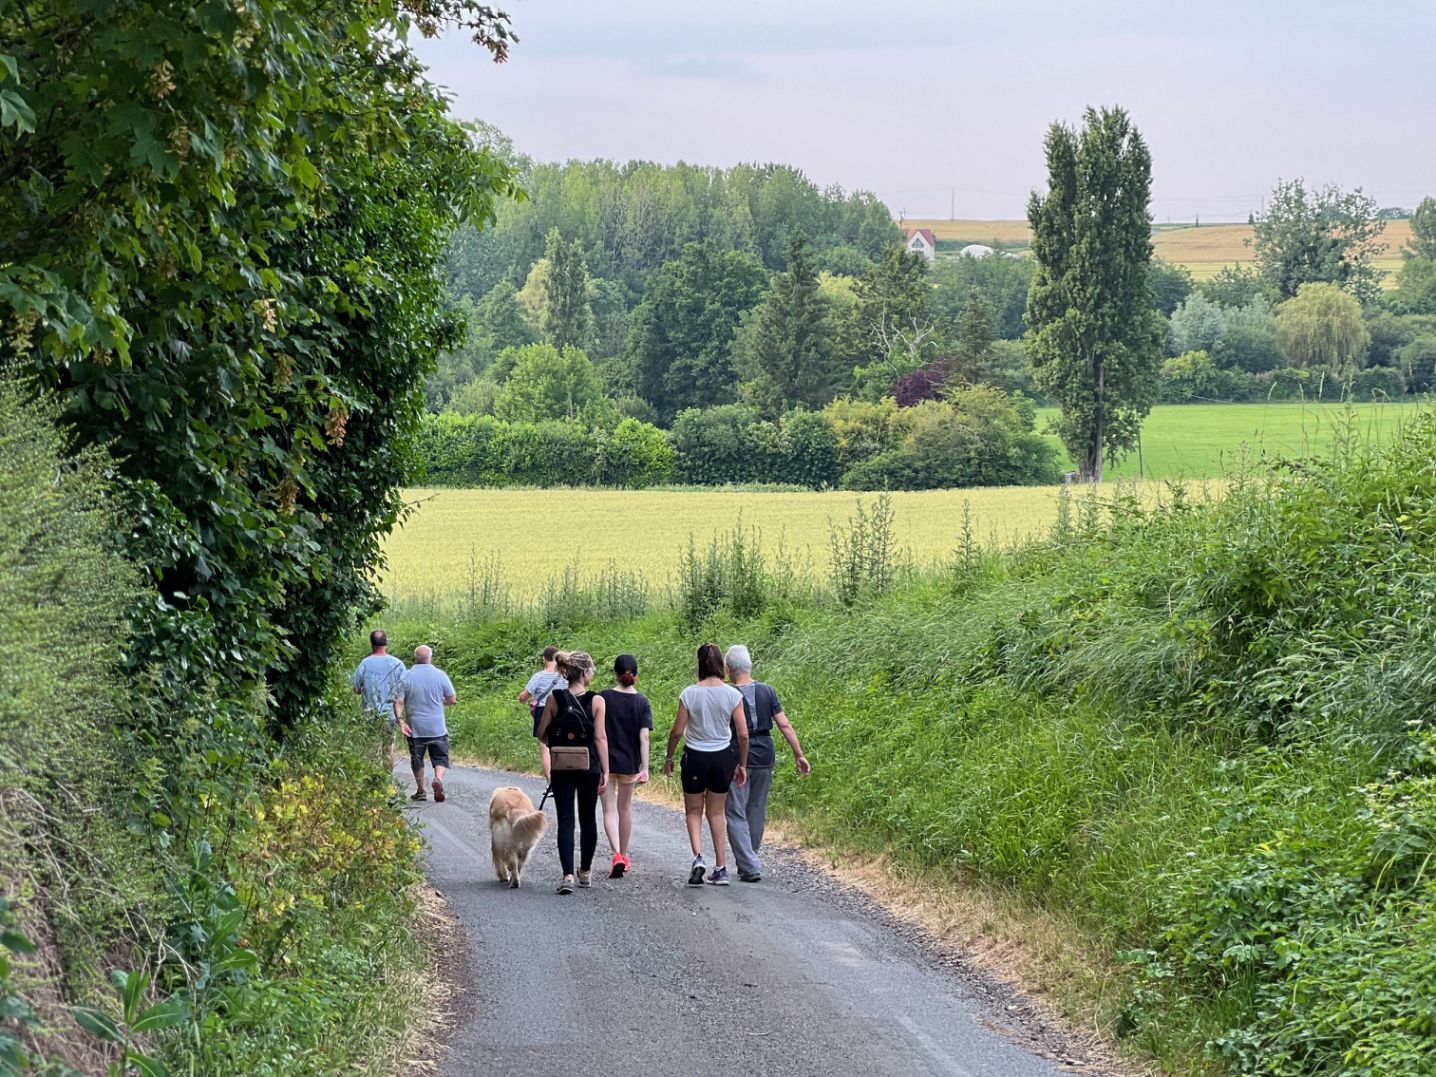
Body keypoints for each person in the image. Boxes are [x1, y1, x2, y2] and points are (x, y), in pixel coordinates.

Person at [724, 644, 811, 882]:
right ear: (749, 665)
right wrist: (799, 754)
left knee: (734, 811)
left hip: (737, 757)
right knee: (757, 809)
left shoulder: (728, 694)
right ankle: (749, 859)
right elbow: (784, 724)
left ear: (729, 669)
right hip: (764, 755)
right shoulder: (768, 691)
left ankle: (749, 864)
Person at [664, 642, 748, 886]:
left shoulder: (690, 693)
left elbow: (677, 731)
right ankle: (721, 867)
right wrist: (741, 763)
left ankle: (698, 857)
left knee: (693, 811)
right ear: (722, 665)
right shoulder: (733, 694)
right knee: (717, 812)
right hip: (722, 757)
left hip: (695, 757)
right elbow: (742, 734)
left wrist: (669, 757)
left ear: (699, 665)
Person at [535, 651, 609, 894]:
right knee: (588, 819)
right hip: (589, 767)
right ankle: (585, 872)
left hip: (561, 767)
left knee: (566, 820)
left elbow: (542, 734)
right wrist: (605, 770)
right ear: (586, 673)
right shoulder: (597, 701)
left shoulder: (555, 698)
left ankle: (567, 875)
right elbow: (600, 737)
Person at [599, 654, 652, 878]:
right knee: (625, 809)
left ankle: (616, 854)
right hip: (630, 764)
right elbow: (644, 738)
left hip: (606, 764)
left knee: (609, 810)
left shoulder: (603, 698)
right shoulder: (642, 702)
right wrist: (645, 768)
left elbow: (598, 733)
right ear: (635, 675)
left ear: (615, 673)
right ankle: (625, 854)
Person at [396, 645, 456, 803]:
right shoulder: (440, 675)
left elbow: (398, 701)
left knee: (417, 758)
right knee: (441, 757)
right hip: (437, 726)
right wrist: (439, 701)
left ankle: (421, 790)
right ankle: (438, 778)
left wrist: (401, 722)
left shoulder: (406, 676)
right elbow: (452, 699)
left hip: (415, 727)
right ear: (431, 657)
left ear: (415, 657)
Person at [352, 629, 406, 771]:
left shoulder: (365, 663)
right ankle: (386, 779)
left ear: (371, 644)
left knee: (370, 747)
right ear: (386, 643)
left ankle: (371, 779)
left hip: (369, 713)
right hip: (390, 714)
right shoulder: (398, 664)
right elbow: (403, 692)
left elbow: (356, 689)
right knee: (389, 747)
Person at [519, 646, 567, 775]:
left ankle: (550, 782)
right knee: (560, 747)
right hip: (561, 712)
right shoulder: (565, 677)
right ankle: (561, 780)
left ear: (544, 659)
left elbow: (523, 697)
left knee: (545, 748)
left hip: (543, 712)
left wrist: (526, 699)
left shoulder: (539, 677)